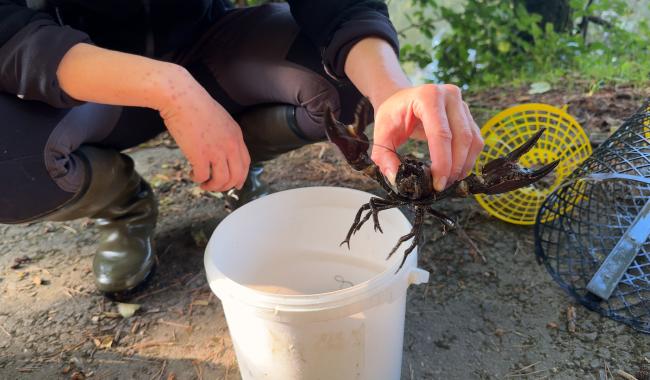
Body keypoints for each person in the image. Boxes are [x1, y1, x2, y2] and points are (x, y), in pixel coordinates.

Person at [0, 0, 483, 298]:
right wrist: (165, 87)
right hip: (84, 75)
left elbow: (339, 8)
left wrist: (390, 90)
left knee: (349, 92)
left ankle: (237, 162)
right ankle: (124, 205)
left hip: (207, 42)